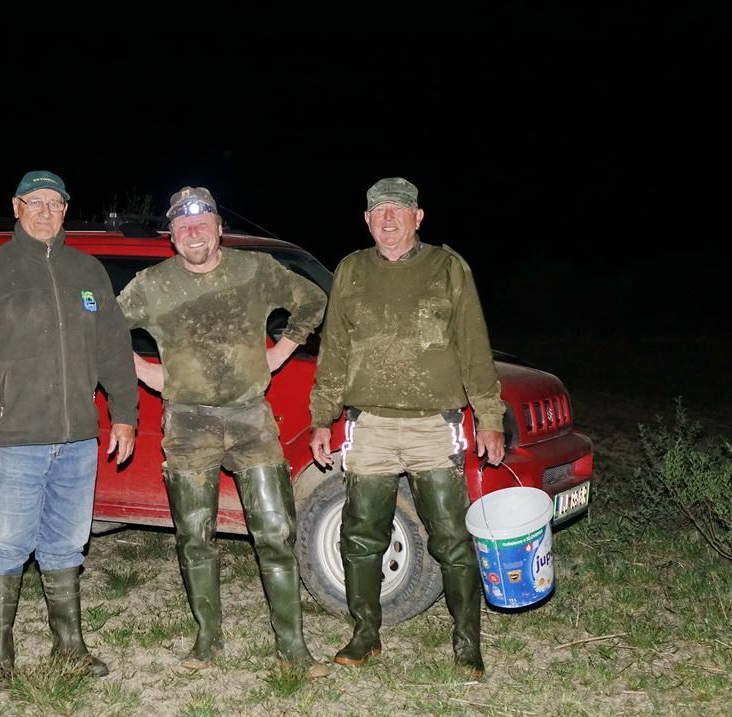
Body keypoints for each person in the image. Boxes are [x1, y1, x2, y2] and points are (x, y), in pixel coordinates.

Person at [117, 186, 329, 678]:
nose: (194, 233)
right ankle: (207, 641)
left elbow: (313, 300)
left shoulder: (255, 270)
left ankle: (293, 646)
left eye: (202, 223)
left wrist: (280, 351)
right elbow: (99, 329)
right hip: (188, 425)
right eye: (183, 227)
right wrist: (144, 372)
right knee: (195, 536)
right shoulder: (152, 284)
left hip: (251, 419)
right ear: (172, 237)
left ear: (218, 228)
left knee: (275, 532)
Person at [0, 170, 139, 690]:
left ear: (66, 210)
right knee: (7, 542)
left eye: (55, 203)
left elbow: (114, 350)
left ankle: (69, 647)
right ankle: (0, 657)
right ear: (17, 207)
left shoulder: (88, 271)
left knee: (67, 544)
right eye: (36, 202)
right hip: (13, 440)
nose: (46, 212)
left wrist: (124, 413)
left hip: (77, 440)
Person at [308, 177, 505, 679]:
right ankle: (365, 633)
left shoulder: (447, 267)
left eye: (398, 209)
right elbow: (333, 353)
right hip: (369, 424)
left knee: (451, 538)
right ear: (367, 220)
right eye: (379, 211)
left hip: (433, 427)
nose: (388, 218)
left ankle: (467, 642)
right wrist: (321, 418)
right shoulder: (351, 270)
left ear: (418, 217)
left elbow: (474, 347)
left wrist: (490, 418)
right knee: (360, 535)